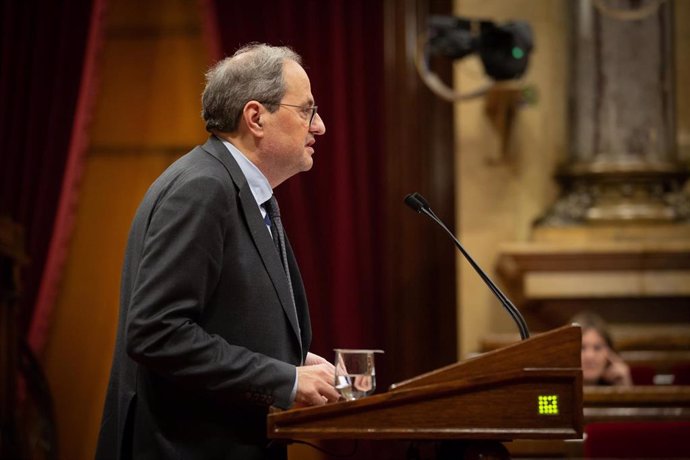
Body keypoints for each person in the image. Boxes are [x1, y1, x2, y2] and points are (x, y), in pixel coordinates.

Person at [95, 43, 341, 460]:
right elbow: (157, 332)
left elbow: (223, 317)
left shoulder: (238, 188)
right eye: (307, 111)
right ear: (255, 117)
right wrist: (284, 378)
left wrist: (292, 360)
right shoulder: (203, 189)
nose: (319, 127)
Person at [571, 311, 632, 387]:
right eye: (582, 348)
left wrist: (624, 385)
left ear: (610, 352)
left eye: (597, 348)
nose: (590, 356)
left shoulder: (620, 382)